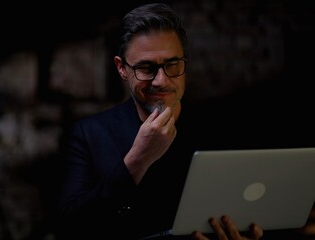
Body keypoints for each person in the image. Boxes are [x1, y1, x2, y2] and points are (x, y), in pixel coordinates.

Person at [57, 3, 263, 240]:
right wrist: (138, 160)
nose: (161, 81)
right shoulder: (87, 134)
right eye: (146, 67)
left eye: (172, 64)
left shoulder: (223, 129)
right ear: (122, 68)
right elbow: (69, 227)